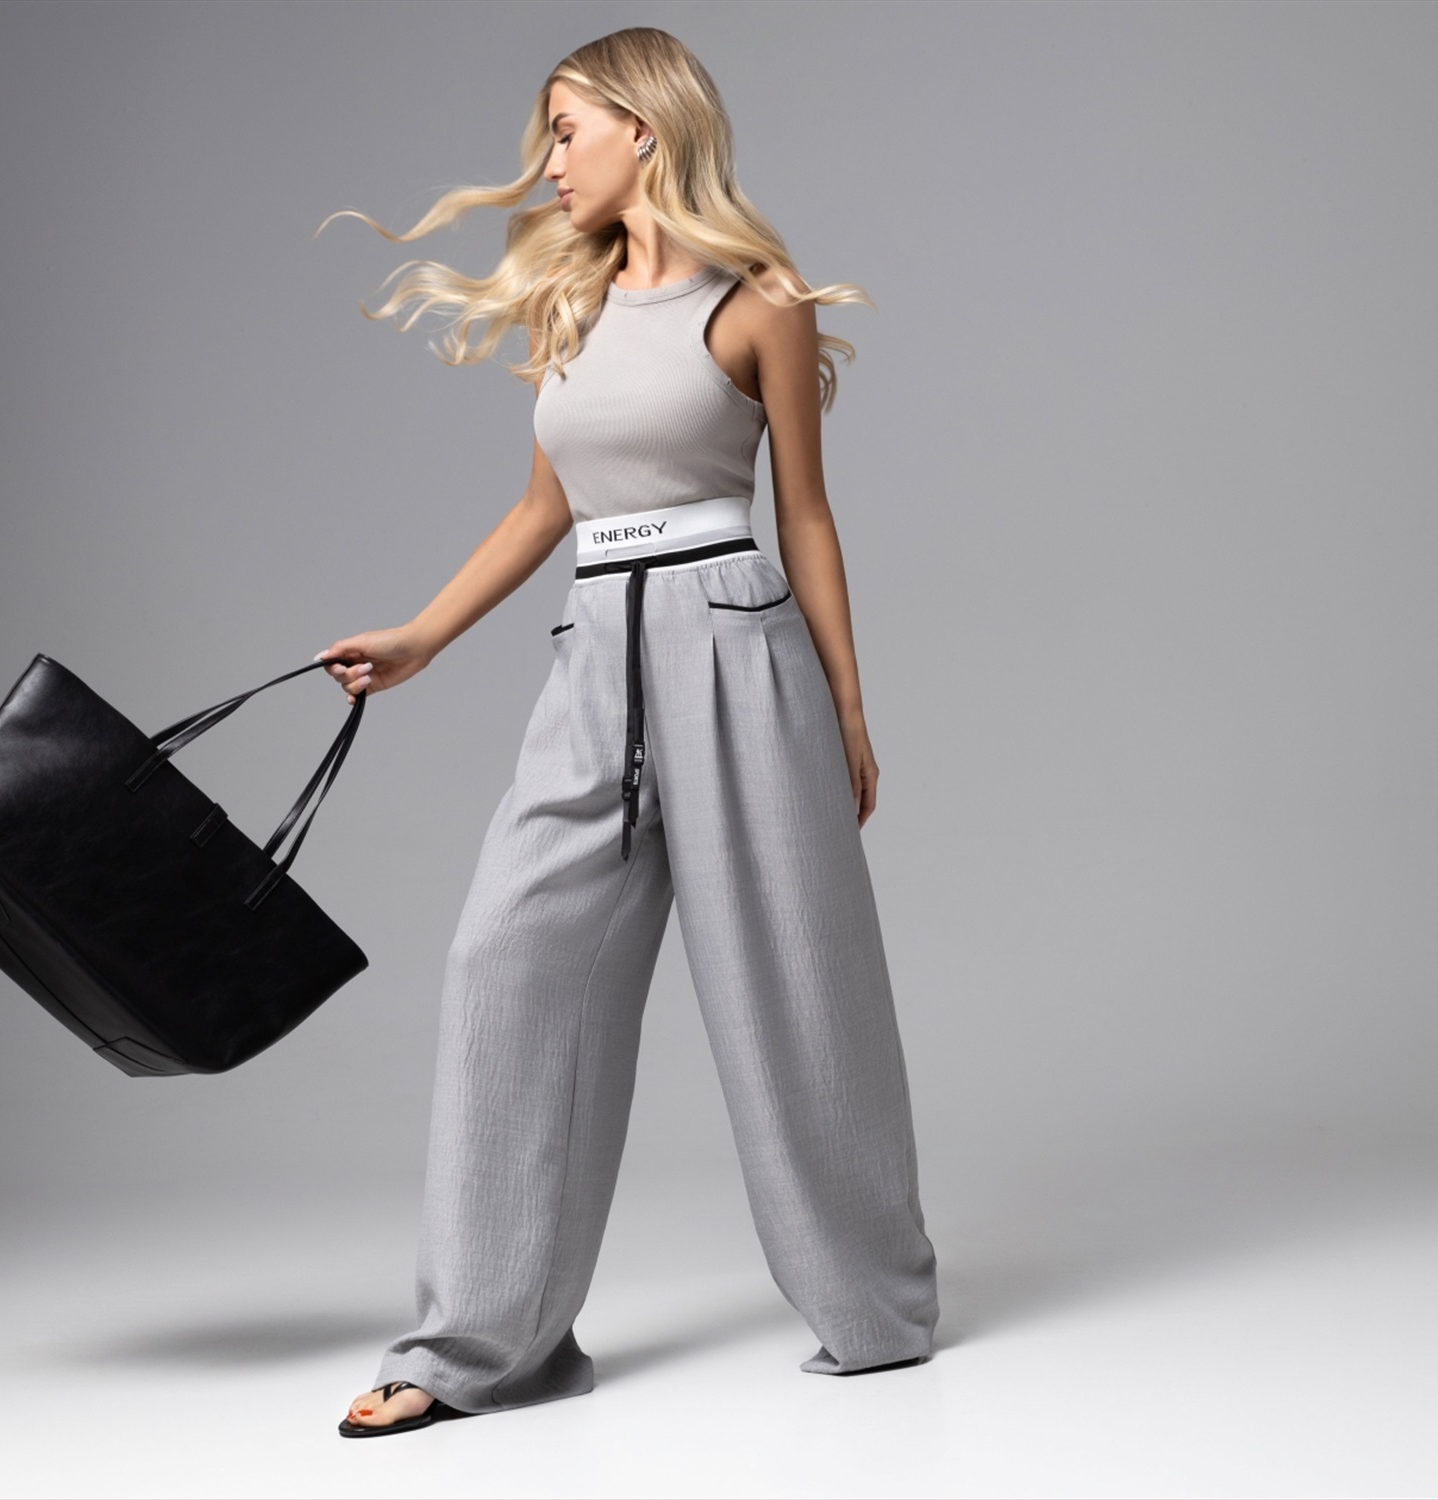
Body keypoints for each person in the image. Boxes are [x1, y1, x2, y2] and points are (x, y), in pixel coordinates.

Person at [316, 27, 939, 1438]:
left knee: (789, 978)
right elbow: (545, 509)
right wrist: (420, 636)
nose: (547, 160)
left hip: (738, 646)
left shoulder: (761, 303)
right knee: (504, 964)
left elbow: (806, 515)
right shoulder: (572, 307)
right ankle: (479, 1345)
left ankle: (874, 1306)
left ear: (643, 130)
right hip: (595, 655)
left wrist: (848, 707)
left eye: (565, 129)